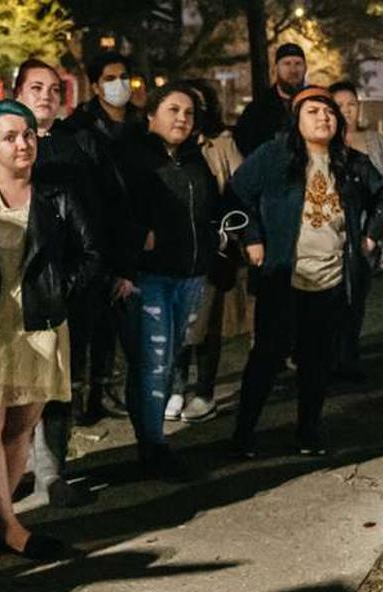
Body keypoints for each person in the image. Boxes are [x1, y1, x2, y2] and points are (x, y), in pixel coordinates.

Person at [0, 100, 102, 560]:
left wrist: (57, 291)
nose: (22, 143)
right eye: (9, 137)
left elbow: (91, 254)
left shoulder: (57, 195)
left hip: (38, 326)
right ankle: (11, 526)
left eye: (28, 134)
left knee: (21, 427)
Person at [228, 86, 383, 459]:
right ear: (296, 119)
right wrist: (251, 238)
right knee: (266, 360)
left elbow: (382, 197)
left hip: (331, 279)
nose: (323, 118)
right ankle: (242, 435)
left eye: (329, 112)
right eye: (313, 112)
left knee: (317, 363)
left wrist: (369, 237)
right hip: (284, 276)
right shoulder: (275, 155)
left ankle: (308, 432)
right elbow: (237, 193)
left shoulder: (350, 162)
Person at [13, 59, 130, 507]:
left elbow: (111, 207)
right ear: (18, 92)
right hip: (15, 286)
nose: (45, 95)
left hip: (70, 284)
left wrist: (115, 268)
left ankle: (51, 470)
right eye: (35, 87)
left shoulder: (80, 144)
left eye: (53, 89)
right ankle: (18, 466)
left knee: (60, 380)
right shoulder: (2, 140)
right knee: (17, 384)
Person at [118, 84, 221, 481]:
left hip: (191, 275)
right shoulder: (134, 159)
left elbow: (211, 207)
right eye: (173, 110)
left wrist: (217, 239)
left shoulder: (196, 159)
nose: (182, 118)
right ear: (151, 116)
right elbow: (118, 209)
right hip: (150, 276)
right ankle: (153, 447)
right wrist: (134, 242)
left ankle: (151, 441)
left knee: (169, 357)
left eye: (189, 113)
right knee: (152, 364)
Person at [63, 50, 147, 422]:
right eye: (110, 78)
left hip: (131, 230)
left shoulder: (140, 125)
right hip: (94, 229)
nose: (119, 85)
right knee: (89, 320)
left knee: (117, 320)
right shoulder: (79, 127)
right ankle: (81, 395)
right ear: (96, 86)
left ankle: (106, 388)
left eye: (124, 77)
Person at [167, 80, 246, 425]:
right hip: (175, 249)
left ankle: (204, 392)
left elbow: (241, 190)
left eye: (197, 105)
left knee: (208, 323)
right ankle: (176, 388)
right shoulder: (167, 144)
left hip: (215, 247)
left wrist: (230, 235)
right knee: (178, 323)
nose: (190, 112)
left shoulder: (222, 144)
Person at [328, 79, 383, 380]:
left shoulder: (374, 141)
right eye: (340, 105)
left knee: (356, 294)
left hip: (366, 230)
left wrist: (378, 193)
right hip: (333, 233)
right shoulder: (325, 144)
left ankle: (348, 352)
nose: (347, 111)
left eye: (352, 104)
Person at [233, 41, 309, 154]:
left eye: (298, 63)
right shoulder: (257, 109)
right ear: (276, 68)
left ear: (305, 68)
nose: (293, 70)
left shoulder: (316, 102)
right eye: (287, 64)